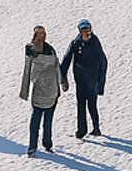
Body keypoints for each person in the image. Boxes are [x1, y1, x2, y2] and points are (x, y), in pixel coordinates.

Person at [60, 19, 107, 139]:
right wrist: (63, 77)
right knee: (80, 105)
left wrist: (100, 84)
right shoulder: (75, 43)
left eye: (88, 30)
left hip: (92, 80)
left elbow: (103, 62)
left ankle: (96, 128)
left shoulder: (95, 43)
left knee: (92, 104)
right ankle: (81, 130)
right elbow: (66, 60)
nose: (87, 32)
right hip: (80, 80)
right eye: (84, 30)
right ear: (80, 32)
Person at [20, 25, 63, 155]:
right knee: (39, 121)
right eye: (40, 34)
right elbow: (29, 70)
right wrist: (25, 90)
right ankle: (38, 145)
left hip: (50, 92)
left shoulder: (47, 49)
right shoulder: (32, 49)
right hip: (42, 92)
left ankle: (44, 144)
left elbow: (56, 67)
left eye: (43, 33)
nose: (42, 36)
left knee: (44, 121)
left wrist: (62, 82)